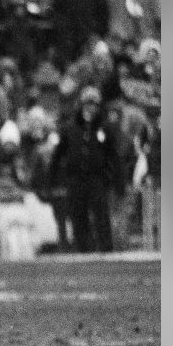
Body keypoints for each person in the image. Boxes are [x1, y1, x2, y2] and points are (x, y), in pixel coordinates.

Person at [51, 86, 118, 252]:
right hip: (76, 179)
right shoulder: (70, 128)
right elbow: (59, 154)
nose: (91, 108)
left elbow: (113, 156)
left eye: (94, 104)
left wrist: (115, 180)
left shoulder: (105, 128)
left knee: (101, 216)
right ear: (81, 105)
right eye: (87, 104)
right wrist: (52, 178)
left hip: (97, 178)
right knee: (78, 216)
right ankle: (83, 249)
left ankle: (105, 249)